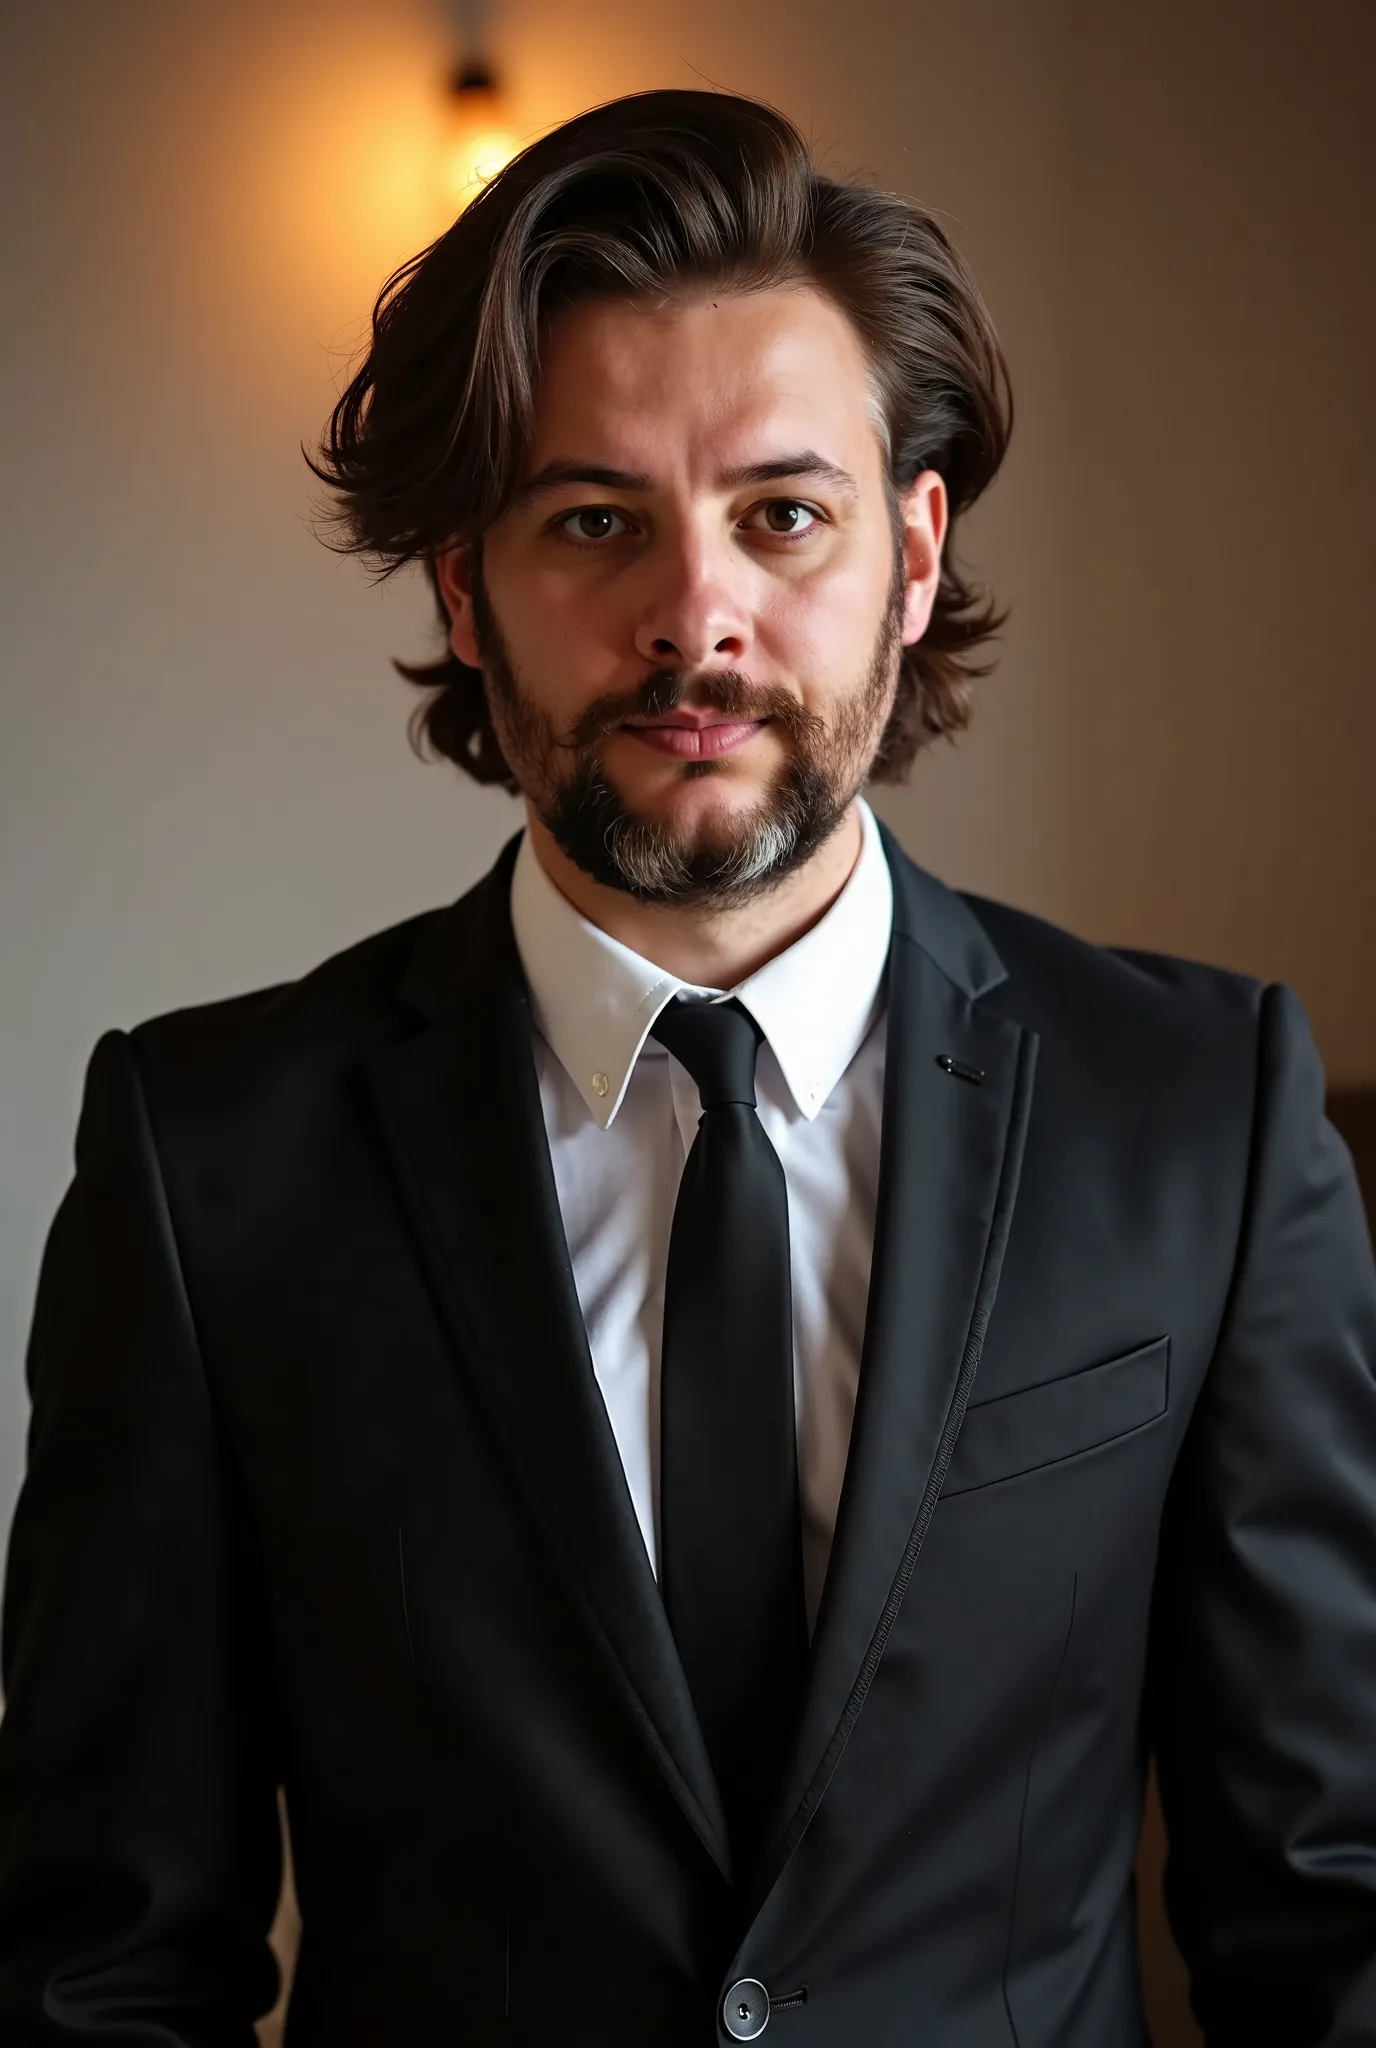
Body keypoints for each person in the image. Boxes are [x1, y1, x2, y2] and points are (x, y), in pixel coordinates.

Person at [2, 84, 1375, 2048]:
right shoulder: (205, 1158)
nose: (694, 616)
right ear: (467, 591)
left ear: (910, 556)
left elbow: (1326, 1910)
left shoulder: (1204, 1116)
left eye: (780, 514)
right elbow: (106, 1962)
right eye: (593, 522)